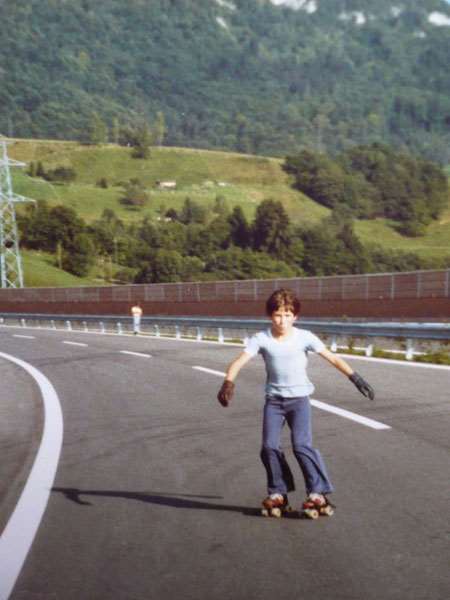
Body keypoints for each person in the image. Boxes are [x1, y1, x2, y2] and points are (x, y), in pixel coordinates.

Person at [217, 288, 374, 518]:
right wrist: (228, 383)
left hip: (299, 401)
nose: (283, 320)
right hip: (274, 402)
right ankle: (278, 493)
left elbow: (332, 358)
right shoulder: (262, 339)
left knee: (301, 446)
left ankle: (317, 493)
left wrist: (355, 378)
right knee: (269, 447)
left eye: (288, 314)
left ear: (296, 316)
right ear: (270, 315)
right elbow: (239, 361)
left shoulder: (305, 337)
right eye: (278, 314)